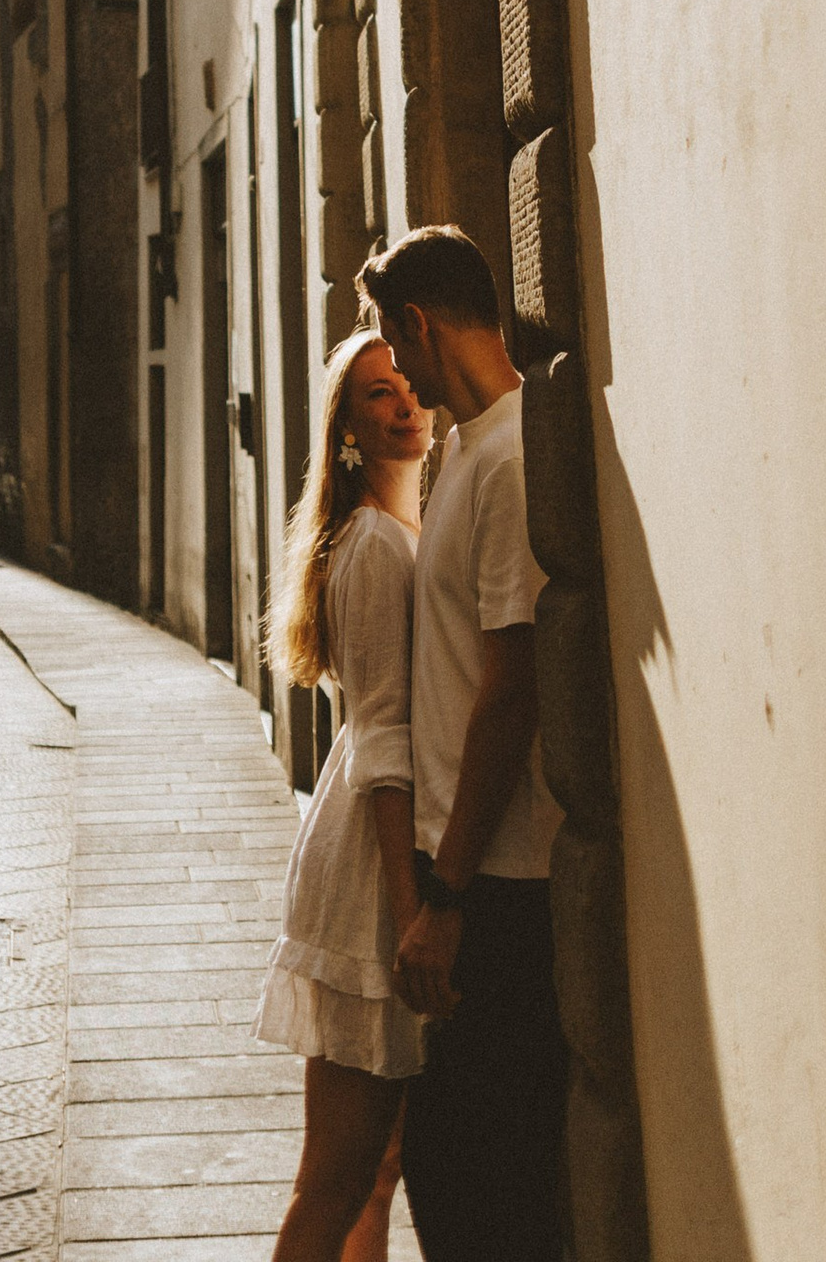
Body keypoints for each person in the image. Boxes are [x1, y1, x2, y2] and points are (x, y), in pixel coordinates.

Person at [359, 229, 565, 1262]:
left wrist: (443, 898)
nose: (398, 372)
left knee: (482, 1191)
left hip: (499, 884)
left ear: (417, 324)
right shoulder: (469, 451)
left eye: (395, 348)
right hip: (475, 879)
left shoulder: (511, 457)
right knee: (460, 1178)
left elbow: (510, 685)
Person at [256, 330, 436, 1262]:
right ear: (348, 432)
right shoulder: (372, 544)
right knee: (335, 1176)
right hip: (372, 871)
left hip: (381, 857)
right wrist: (411, 910)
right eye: (376, 395)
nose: (403, 403)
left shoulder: (404, 529)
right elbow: (380, 738)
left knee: (379, 1168)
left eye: (407, 385)